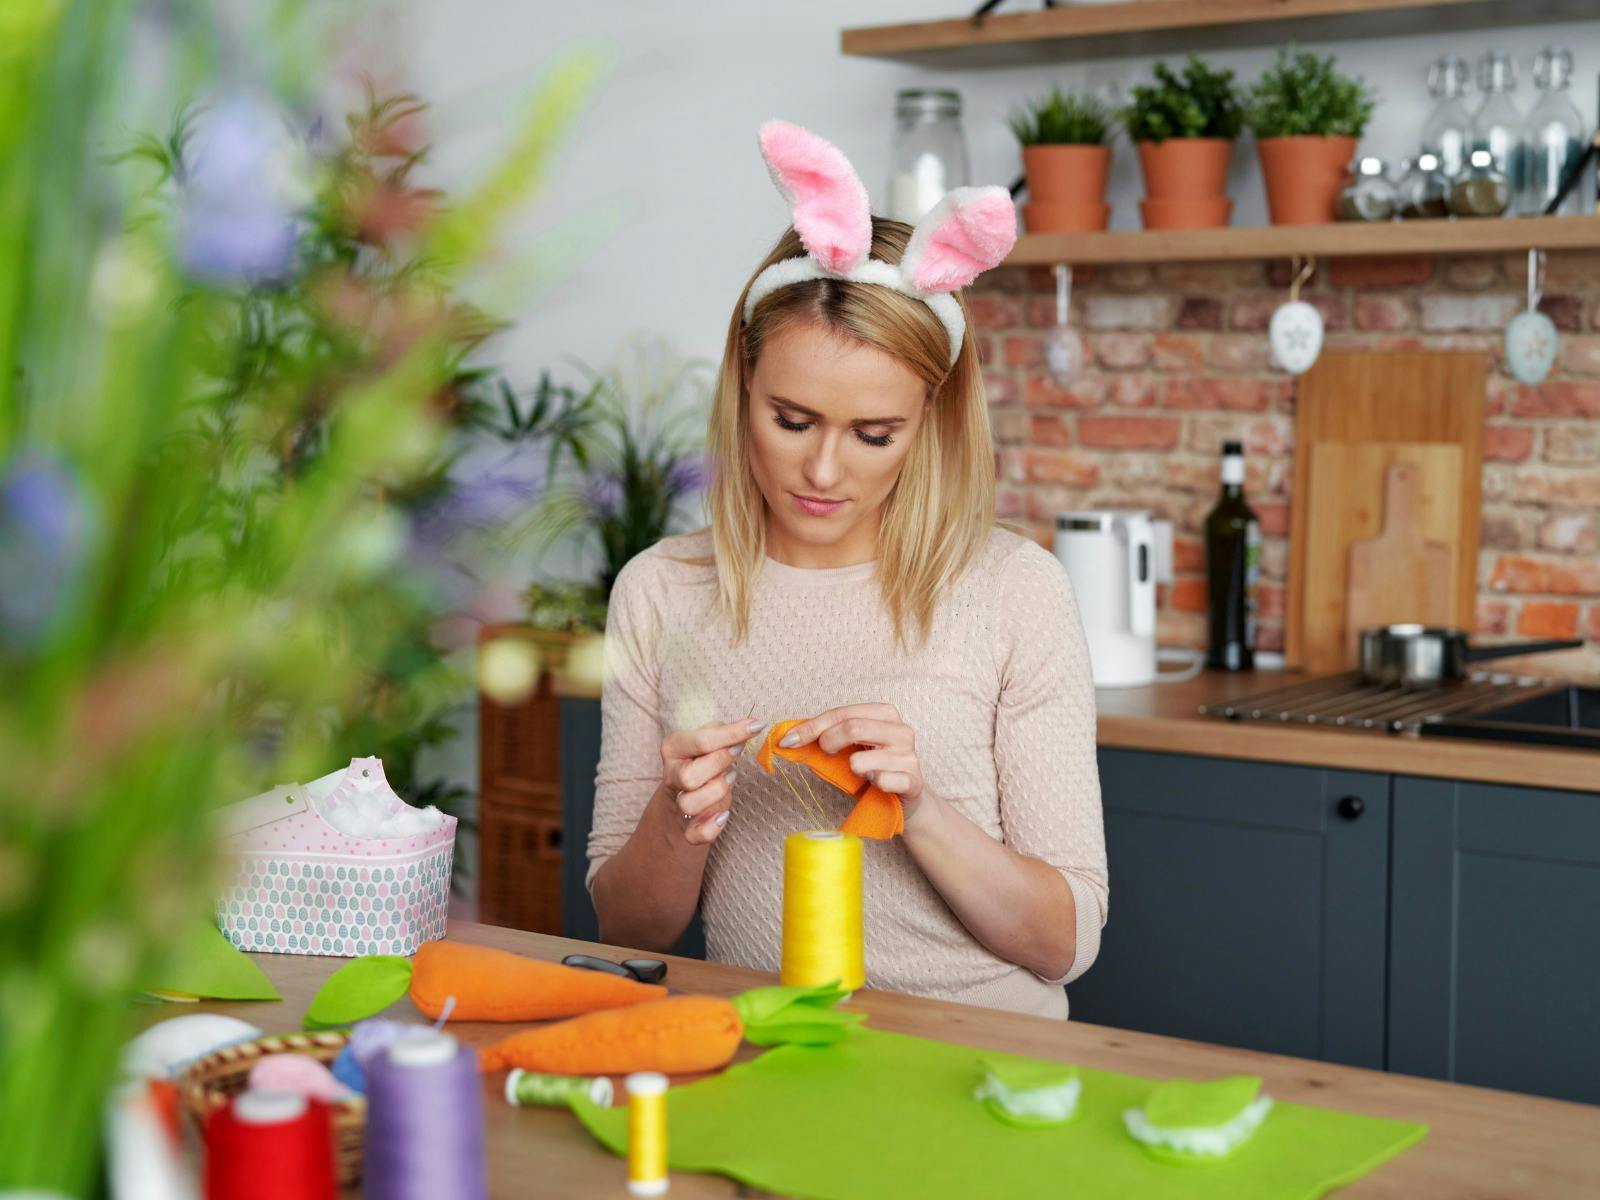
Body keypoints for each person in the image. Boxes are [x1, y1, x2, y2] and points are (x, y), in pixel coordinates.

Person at [586, 122, 1106, 1018]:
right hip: (767, 1056)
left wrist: (923, 808)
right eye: (791, 420)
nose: (824, 472)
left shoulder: (1015, 590)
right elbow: (628, 933)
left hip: (982, 1065)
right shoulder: (660, 592)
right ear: (742, 386)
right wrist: (678, 822)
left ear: (929, 422)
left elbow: (1063, 945)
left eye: (874, 435)